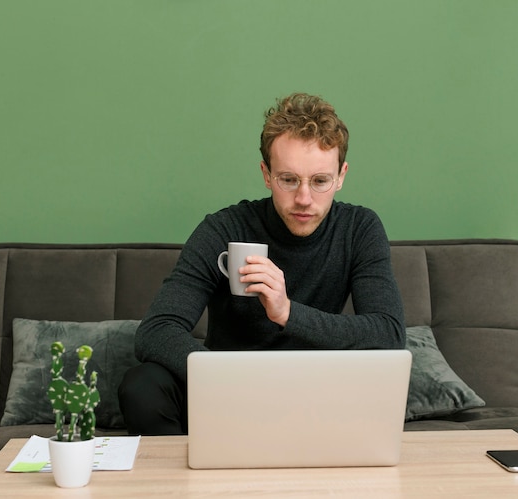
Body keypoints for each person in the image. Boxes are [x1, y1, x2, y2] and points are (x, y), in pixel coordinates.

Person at [118, 92, 405, 435]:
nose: (303, 198)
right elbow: (155, 331)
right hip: (225, 394)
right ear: (267, 175)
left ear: (340, 176)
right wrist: (231, 380)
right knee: (142, 387)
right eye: (288, 179)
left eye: (320, 181)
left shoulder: (359, 229)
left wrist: (287, 312)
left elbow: (388, 332)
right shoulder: (225, 228)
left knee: (377, 389)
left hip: (315, 395)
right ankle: (191, 484)